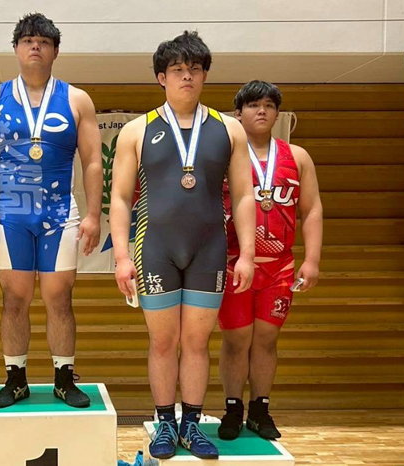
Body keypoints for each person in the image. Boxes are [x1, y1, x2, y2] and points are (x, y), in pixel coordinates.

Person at [110, 31, 256, 460]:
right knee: (162, 342)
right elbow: (120, 198)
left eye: (194, 69)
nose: (186, 76)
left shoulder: (229, 129)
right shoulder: (137, 131)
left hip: (208, 250)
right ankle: (164, 424)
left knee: (196, 342)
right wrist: (121, 256)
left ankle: (191, 425)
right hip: (155, 248)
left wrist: (247, 254)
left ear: (205, 75)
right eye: (177, 69)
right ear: (162, 77)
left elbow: (244, 195)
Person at [0, 13, 102, 408]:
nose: (35, 46)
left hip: (60, 215)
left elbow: (93, 162)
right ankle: (16, 379)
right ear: (16, 49)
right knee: (14, 299)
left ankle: (64, 378)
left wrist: (94, 215)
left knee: (60, 299)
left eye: (43, 41)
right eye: (27, 40)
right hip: (12, 215)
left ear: (56, 50)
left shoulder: (77, 100)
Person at [217, 80, 323, 440]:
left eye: (268, 105)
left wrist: (312, 259)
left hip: (279, 266)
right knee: (236, 340)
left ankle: (260, 410)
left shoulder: (297, 157)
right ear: (238, 114)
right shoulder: (225, 157)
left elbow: (311, 209)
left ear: (278, 113)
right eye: (252, 105)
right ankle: (233, 409)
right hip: (234, 263)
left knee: (266, 339)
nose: (261, 111)